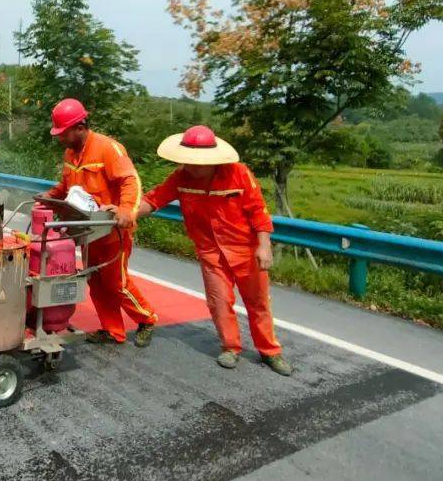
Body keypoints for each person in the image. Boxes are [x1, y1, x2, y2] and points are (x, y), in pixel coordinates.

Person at [133, 125, 292, 375]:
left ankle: (270, 351)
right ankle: (230, 347)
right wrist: (126, 214)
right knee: (219, 302)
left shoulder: (238, 174)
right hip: (210, 252)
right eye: (188, 161)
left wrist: (264, 246)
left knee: (258, 303)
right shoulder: (181, 177)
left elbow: (258, 211)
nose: (193, 167)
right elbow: (154, 199)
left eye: (199, 162)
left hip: (245, 250)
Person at [43, 98, 158, 347]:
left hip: (112, 230)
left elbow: (130, 181)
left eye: (64, 133)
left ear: (80, 127)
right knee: (95, 282)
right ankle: (113, 331)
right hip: (87, 230)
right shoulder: (70, 154)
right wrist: (50, 197)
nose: (60, 138)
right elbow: (67, 187)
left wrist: (127, 210)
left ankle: (147, 318)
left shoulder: (108, 148)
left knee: (116, 283)